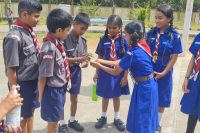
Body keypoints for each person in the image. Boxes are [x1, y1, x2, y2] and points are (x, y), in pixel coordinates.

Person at [90, 20, 158, 133]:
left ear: (131, 36)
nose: (125, 37)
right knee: (140, 117)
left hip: (145, 88)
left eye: (126, 35)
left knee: (143, 120)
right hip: (146, 85)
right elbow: (121, 61)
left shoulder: (134, 52)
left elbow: (115, 72)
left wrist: (98, 65)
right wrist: (100, 60)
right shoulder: (141, 45)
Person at [3, 0, 42, 133]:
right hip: (22, 85)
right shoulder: (14, 37)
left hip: (32, 83)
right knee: (21, 119)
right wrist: (14, 91)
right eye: (36, 16)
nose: (38, 19)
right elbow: (11, 69)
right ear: (25, 14)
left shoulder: (28, 32)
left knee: (30, 114)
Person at [146, 4, 183, 132]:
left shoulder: (174, 35)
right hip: (150, 69)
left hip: (164, 70)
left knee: (161, 98)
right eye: (156, 17)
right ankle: (149, 120)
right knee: (149, 96)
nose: (157, 20)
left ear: (169, 19)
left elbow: (174, 57)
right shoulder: (150, 33)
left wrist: (164, 72)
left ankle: (157, 123)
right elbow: (145, 52)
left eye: (160, 18)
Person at [38, 8, 72, 133]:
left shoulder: (58, 43)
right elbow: (43, 76)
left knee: (56, 120)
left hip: (60, 90)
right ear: (58, 30)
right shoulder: (49, 48)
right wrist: (40, 97)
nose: (68, 33)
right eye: (67, 30)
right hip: (52, 92)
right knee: (52, 124)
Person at [93, 14, 130, 132]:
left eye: (114, 27)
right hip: (104, 72)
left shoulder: (124, 40)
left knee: (116, 96)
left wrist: (125, 76)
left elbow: (126, 61)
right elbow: (99, 56)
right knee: (105, 95)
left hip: (118, 73)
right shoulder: (103, 39)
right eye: (109, 27)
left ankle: (116, 117)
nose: (111, 30)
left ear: (120, 28)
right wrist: (96, 72)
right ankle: (103, 116)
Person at [57, 12, 91, 133]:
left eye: (85, 29)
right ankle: (61, 123)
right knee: (61, 97)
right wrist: (78, 59)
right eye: (82, 28)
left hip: (76, 71)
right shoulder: (64, 38)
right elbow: (61, 58)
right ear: (74, 24)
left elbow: (84, 59)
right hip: (63, 71)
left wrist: (85, 62)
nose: (83, 31)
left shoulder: (83, 41)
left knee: (74, 97)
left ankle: (72, 120)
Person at [180, 33, 200, 133]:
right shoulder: (199, 36)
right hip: (196, 78)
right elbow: (193, 58)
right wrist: (187, 78)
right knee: (193, 109)